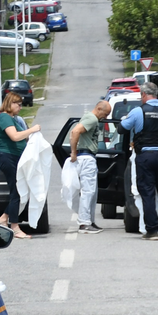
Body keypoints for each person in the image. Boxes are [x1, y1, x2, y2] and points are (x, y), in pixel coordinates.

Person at [119, 82, 158, 240]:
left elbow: (122, 128)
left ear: (143, 95)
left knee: (147, 194)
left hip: (145, 157)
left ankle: (152, 231)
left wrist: (126, 119)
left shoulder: (137, 112)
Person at [0, 90, 40, 239]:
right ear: (10, 103)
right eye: (18, 104)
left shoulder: (13, 119)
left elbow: (22, 138)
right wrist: (31, 130)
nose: (20, 107)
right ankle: (14, 227)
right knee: (17, 191)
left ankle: (3, 218)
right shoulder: (5, 118)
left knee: (19, 190)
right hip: (8, 157)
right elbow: (14, 137)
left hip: (15, 158)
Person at [68, 99, 109, 233]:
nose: (106, 117)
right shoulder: (92, 119)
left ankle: (89, 220)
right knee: (88, 191)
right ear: (99, 109)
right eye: (105, 113)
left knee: (92, 192)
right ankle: (84, 223)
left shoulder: (90, 118)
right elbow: (75, 132)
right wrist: (73, 152)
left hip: (87, 156)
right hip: (86, 157)